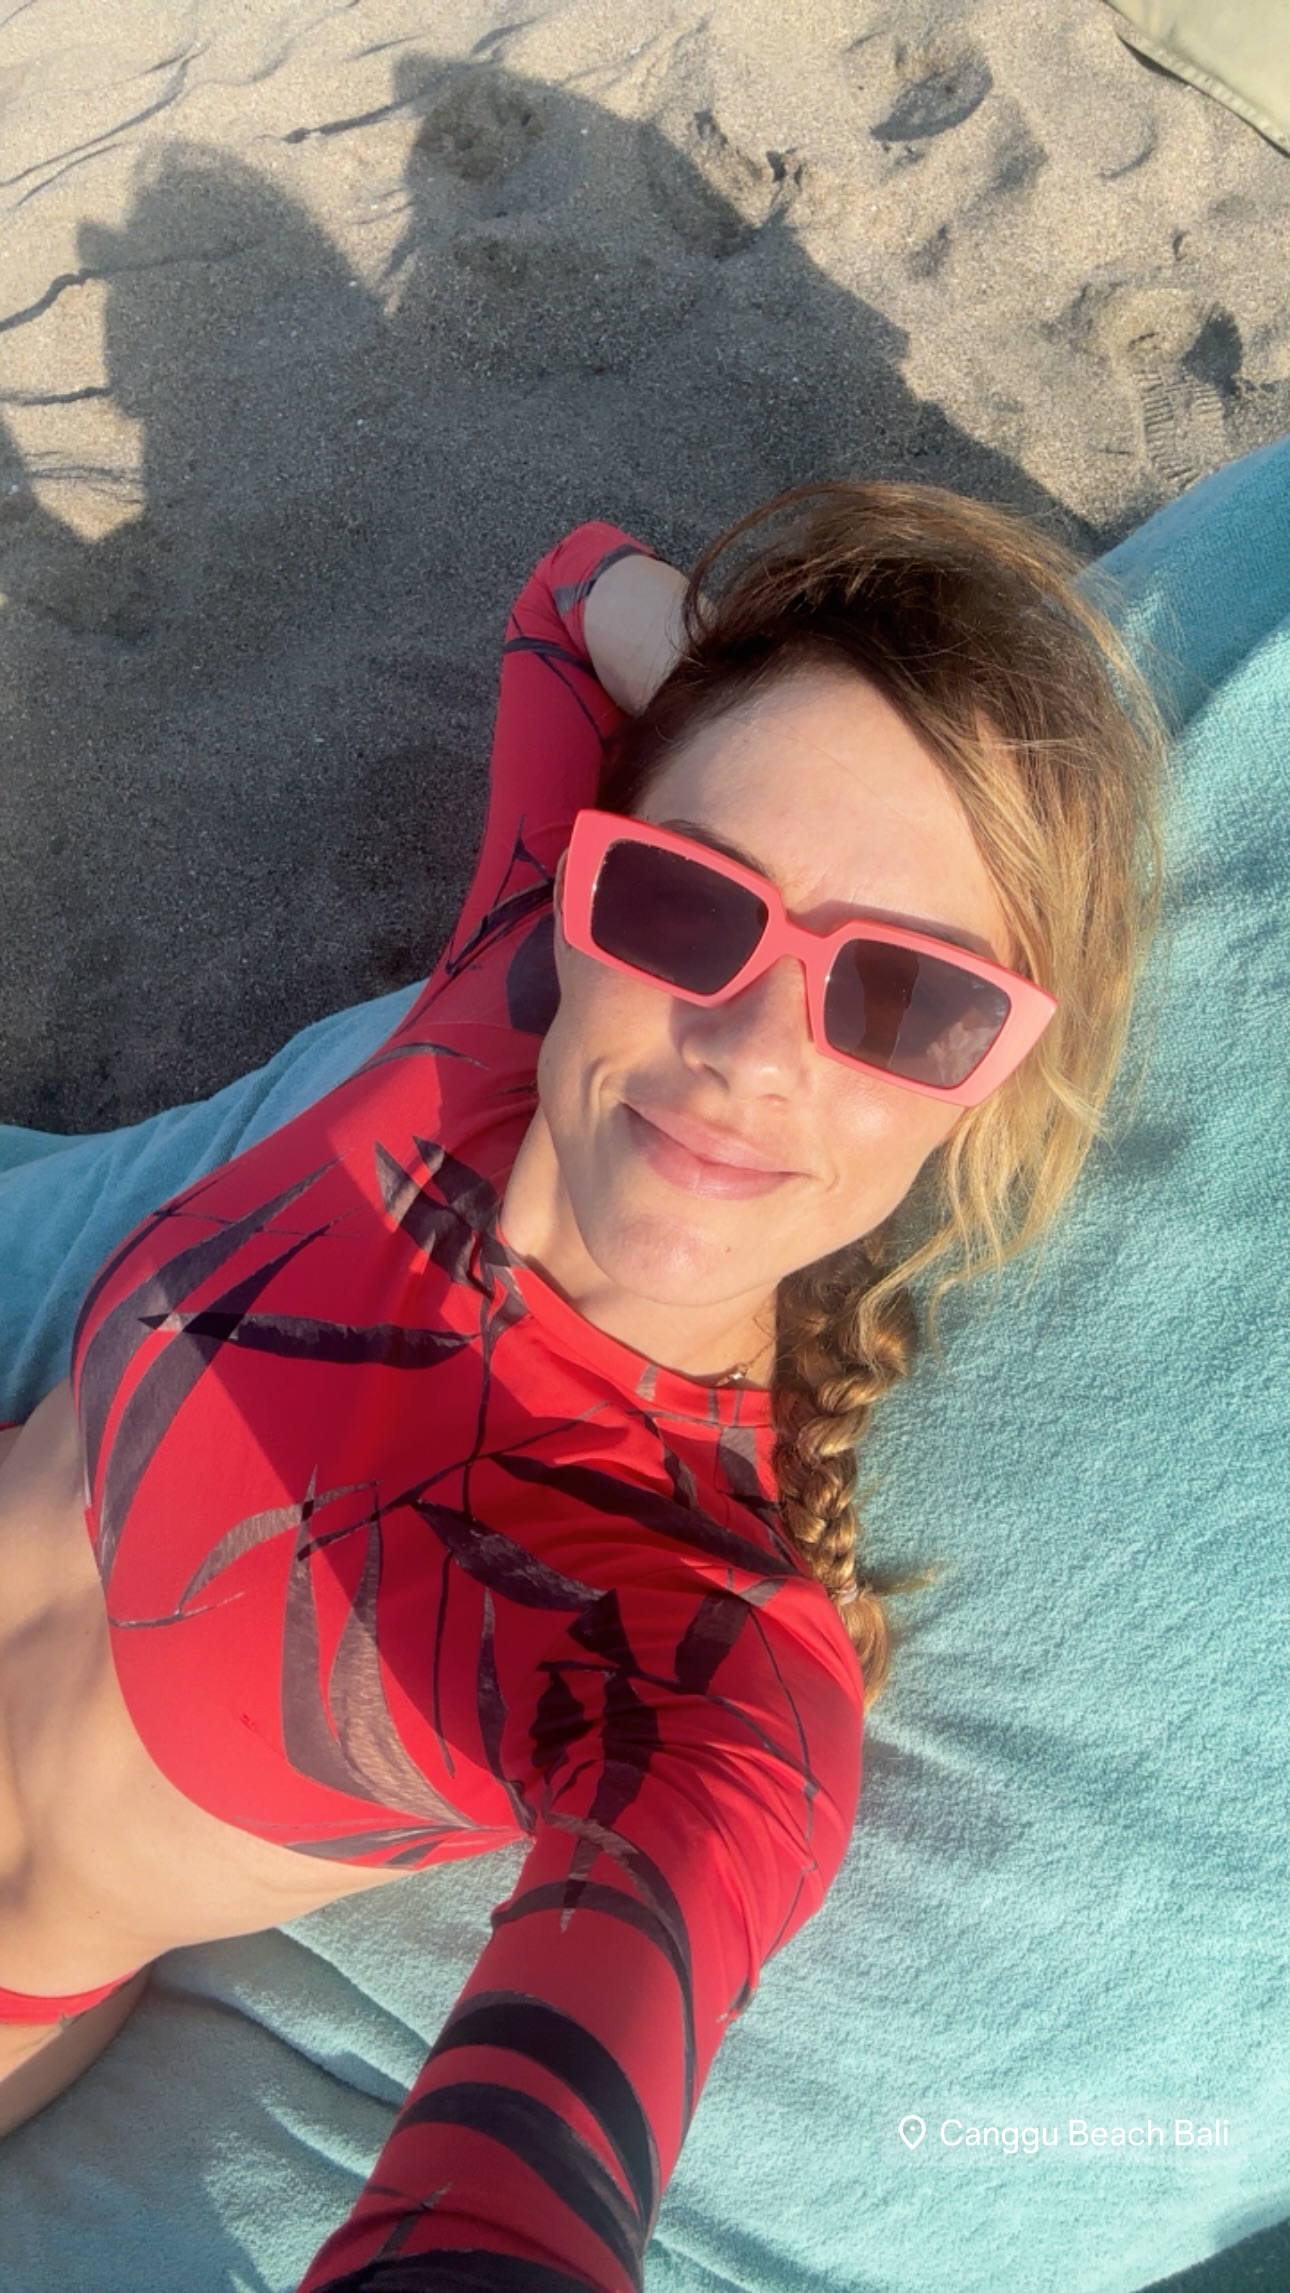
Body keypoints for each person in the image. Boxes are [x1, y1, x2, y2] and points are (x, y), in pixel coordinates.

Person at [0, 481, 1163, 2290]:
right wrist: (795, 670)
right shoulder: (506, 982)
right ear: (591, 886)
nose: (751, 1051)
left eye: (904, 1002)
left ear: (988, 1083)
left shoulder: (695, 1650)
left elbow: (514, 2204)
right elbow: (567, 593)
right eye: (692, 903)